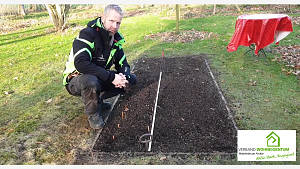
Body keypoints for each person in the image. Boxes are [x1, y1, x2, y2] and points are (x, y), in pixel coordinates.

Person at [63, 4, 136, 129]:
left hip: (98, 76)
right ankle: (93, 114)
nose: (115, 26)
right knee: (91, 81)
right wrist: (112, 77)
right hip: (76, 79)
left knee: (131, 79)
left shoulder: (116, 40)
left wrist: (124, 76)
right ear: (103, 18)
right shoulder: (87, 34)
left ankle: (98, 102)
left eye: (118, 23)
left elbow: (123, 64)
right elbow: (81, 63)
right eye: (111, 21)